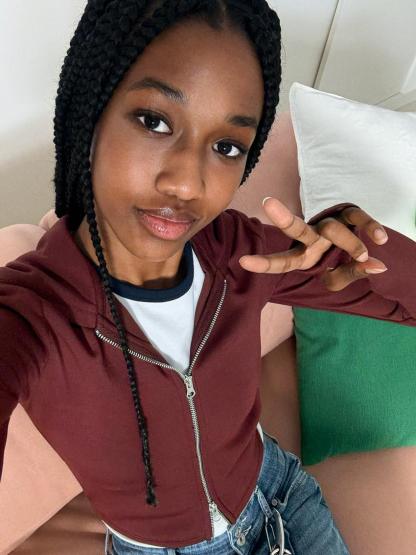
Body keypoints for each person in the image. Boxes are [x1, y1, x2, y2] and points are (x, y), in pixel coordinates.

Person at [0, 1, 415, 554]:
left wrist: (363, 247)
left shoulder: (241, 254)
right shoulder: (31, 313)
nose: (188, 184)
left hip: (286, 497)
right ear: (89, 113)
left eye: (226, 147)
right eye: (154, 121)